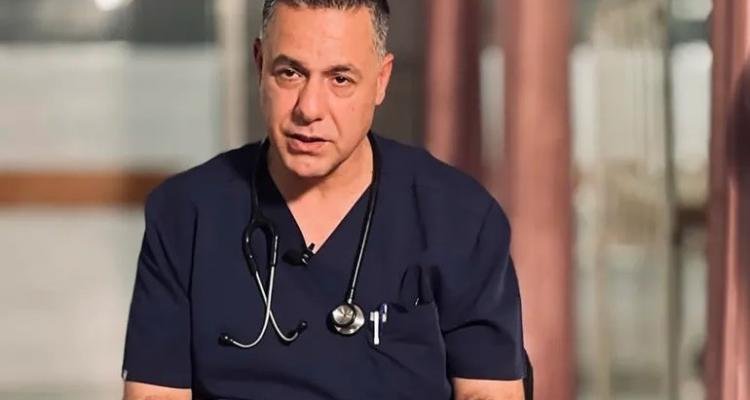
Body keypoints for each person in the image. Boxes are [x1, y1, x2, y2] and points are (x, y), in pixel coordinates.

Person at [122, 1, 528, 399]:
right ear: (259, 64)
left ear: (381, 80)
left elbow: (488, 390)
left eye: (340, 79)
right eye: (290, 73)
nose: (309, 109)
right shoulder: (186, 215)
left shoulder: (460, 217)